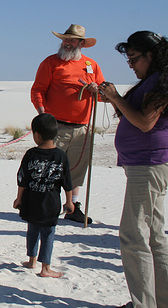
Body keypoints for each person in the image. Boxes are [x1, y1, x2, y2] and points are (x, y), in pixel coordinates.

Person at [97, 31, 168, 308]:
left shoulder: (161, 81)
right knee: (154, 236)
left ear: (151, 55)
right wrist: (112, 100)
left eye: (134, 58)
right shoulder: (154, 81)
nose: (131, 64)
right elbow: (133, 115)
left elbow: (144, 122)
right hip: (147, 164)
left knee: (134, 234)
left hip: (147, 165)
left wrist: (116, 97)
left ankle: (143, 306)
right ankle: (161, 303)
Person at [31, 24, 105, 224]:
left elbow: (102, 95)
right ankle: (45, 205)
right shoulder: (51, 63)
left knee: (77, 169)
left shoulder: (92, 65)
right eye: (65, 39)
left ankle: (73, 207)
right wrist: (42, 113)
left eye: (72, 40)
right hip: (56, 126)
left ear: (82, 43)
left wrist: (96, 89)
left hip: (83, 128)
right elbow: (38, 89)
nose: (68, 43)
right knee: (50, 168)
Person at [13, 113, 74, 278]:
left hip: (31, 202)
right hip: (50, 203)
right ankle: (44, 267)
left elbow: (22, 179)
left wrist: (19, 198)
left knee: (32, 231)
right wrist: (70, 201)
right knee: (47, 234)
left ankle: (32, 260)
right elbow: (67, 181)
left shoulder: (31, 154)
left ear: (37, 135)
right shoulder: (61, 156)